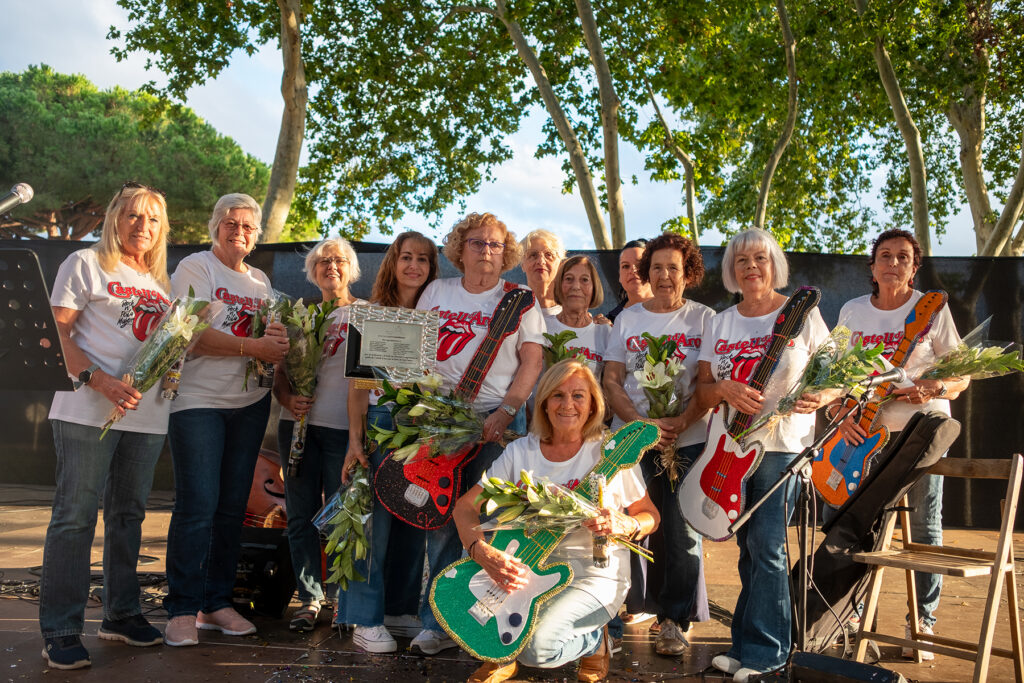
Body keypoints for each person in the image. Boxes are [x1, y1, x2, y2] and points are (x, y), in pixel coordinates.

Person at [454, 360, 660, 683]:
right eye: (557, 396)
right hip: (529, 565)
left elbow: (651, 516)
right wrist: (480, 551)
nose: (568, 405)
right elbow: (465, 508)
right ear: (544, 404)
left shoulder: (609, 452)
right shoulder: (521, 452)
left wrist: (626, 524)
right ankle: (502, 654)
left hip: (593, 574)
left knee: (538, 648)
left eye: (579, 395)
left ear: (593, 403)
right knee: (466, 615)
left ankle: (595, 641)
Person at [39, 183, 172, 669]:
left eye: (153, 220)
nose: (143, 227)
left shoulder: (162, 284)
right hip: (86, 407)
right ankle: (61, 628)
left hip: (147, 413)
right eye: (134, 216)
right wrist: (98, 381)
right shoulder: (85, 263)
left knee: (128, 515)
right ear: (115, 218)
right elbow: (57, 332)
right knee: (75, 516)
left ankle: (120, 613)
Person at [697, 228, 832, 683]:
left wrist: (821, 395)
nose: (751, 266)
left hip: (782, 447)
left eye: (760, 258)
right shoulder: (720, 321)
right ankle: (744, 646)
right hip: (731, 447)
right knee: (747, 550)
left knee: (768, 547)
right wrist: (723, 388)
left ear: (775, 264)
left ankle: (769, 653)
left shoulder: (803, 315)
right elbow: (702, 388)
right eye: (741, 261)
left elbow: (836, 374)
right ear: (732, 271)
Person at [411, 212, 545, 655]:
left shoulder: (521, 298)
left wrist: (507, 410)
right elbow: (416, 352)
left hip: (495, 420)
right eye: (477, 243)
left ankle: (487, 616)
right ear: (459, 249)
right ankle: (438, 621)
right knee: (441, 520)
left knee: (493, 520)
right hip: (440, 419)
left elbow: (531, 362)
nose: (486, 251)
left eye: (495, 244)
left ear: (505, 254)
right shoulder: (437, 290)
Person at [834, 228, 968, 659]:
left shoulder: (932, 310)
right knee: (860, 526)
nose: (893, 263)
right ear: (871, 267)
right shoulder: (852, 312)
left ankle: (922, 624)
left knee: (925, 529)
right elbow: (831, 380)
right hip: (865, 438)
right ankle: (853, 618)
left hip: (924, 436)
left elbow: (961, 378)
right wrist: (841, 417)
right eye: (885, 256)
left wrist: (929, 389)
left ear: (915, 268)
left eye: (903, 257)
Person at [163, 193, 290, 647]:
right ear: (215, 227)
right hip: (197, 401)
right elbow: (189, 335)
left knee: (232, 508)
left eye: (248, 227)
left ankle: (216, 603)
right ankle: (182, 608)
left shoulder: (260, 282)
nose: (239, 232)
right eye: (230, 224)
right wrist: (253, 347)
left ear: (257, 237)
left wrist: (280, 345)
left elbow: (271, 348)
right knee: (197, 505)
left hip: (250, 405)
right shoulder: (197, 268)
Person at [602, 232, 715, 655]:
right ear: (645, 273)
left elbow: (707, 384)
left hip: (686, 440)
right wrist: (641, 424)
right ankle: (615, 613)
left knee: (682, 532)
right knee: (624, 526)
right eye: (656, 267)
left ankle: (673, 620)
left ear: (688, 273)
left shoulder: (705, 318)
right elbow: (611, 380)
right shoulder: (628, 319)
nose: (664, 275)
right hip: (633, 438)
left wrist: (680, 421)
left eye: (673, 267)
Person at [338, 230, 438, 651]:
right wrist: (354, 441)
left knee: (415, 520)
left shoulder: (440, 317)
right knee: (372, 526)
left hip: (425, 428)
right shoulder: (372, 315)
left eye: (423, 259)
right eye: (406, 258)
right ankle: (363, 619)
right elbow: (360, 386)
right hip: (380, 424)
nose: (414, 266)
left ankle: (398, 609)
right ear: (392, 264)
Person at [274, 238, 361, 632]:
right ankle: (310, 599)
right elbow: (278, 376)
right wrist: (289, 398)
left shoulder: (367, 315)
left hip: (346, 434)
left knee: (342, 518)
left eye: (339, 260)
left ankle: (344, 601)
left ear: (352, 269)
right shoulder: (297, 316)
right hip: (297, 430)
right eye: (323, 261)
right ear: (312, 271)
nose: (331, 266)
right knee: (300, 518)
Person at [544, 255, 611, 379]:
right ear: (559, 285)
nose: (576, 286)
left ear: (594, 287)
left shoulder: (605, 333)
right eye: (569, 279)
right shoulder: (542, 327)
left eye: (584, 280)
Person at [519, 229, 566, 318]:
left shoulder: (575, 316)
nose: (541, 261)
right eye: (533, 255)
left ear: (560, 265)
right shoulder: (509, 314)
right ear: (522, 265)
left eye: (549, 255)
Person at [606, 239, 652, 323]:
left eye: (640, 264)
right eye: (626, 266)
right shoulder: (609, 321)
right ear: (620, 276)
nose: (633, 270)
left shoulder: (675, 312)